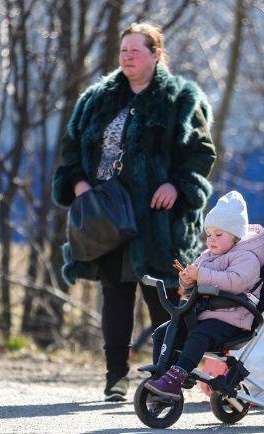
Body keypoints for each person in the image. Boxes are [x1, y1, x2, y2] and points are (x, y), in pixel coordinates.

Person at [53, 21, 217, 401]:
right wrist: (78, 184)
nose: (126, 56)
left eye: (135, 50)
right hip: (107, 216)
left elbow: (201, 153)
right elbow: (72, 148)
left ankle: (165, 375)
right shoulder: (97, 99)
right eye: (123, 50)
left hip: (158, 218)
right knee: (115, 294)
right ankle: (115, 378)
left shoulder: (180, 98)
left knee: (161, 295)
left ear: (156, 55)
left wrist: (176, 184)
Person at [143, 191, 264, 400]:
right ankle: (162, 375)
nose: (211, 240)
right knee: (163, 332)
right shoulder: (208, 255)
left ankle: (177, 376)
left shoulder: (247, 257)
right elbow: (195, 282)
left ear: (236, 236)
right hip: (203, 314)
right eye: (209, 234)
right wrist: (188, 279)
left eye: (219, 235)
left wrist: (201, 275)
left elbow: (234, 282)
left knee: (198, 336)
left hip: (231, 317)